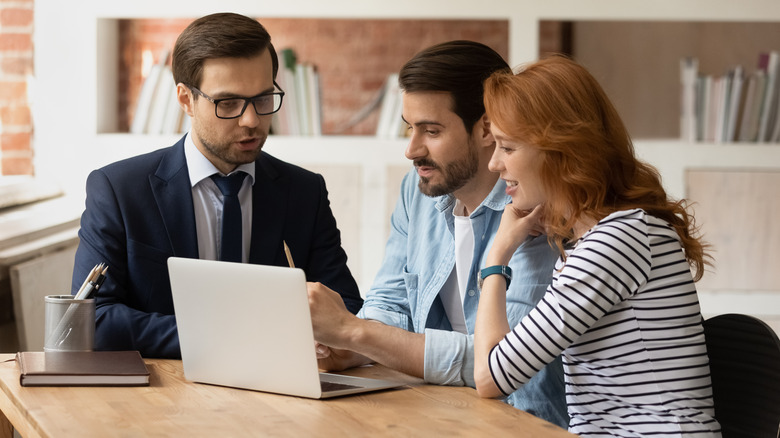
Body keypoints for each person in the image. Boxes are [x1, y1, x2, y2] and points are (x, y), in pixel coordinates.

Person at [306, 41, 568, 428]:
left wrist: (357, 333)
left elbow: (508, 362)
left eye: (431, 130)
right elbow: (390, 301)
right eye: (409, 128)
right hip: (439, 410)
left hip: (526, 422)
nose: (412, 150)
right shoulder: (419, 192)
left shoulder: (534, 206)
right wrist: (348, 348)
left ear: (485, 129)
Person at [71, 12, 362, 359]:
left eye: (263, 98)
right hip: (159, 398)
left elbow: (346, 309)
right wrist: (230, 338)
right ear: (185, 100)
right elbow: (93, 318)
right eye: (229, 103)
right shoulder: (118, 190)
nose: (252, 120)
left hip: (279, 395)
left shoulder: (305, 192)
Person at [473, 55, 721, 436]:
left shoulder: (617, 241)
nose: (494, 164)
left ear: (560, 149)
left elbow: (491, 377)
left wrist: (498, 255)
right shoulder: (606, 238)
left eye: (508, 148)